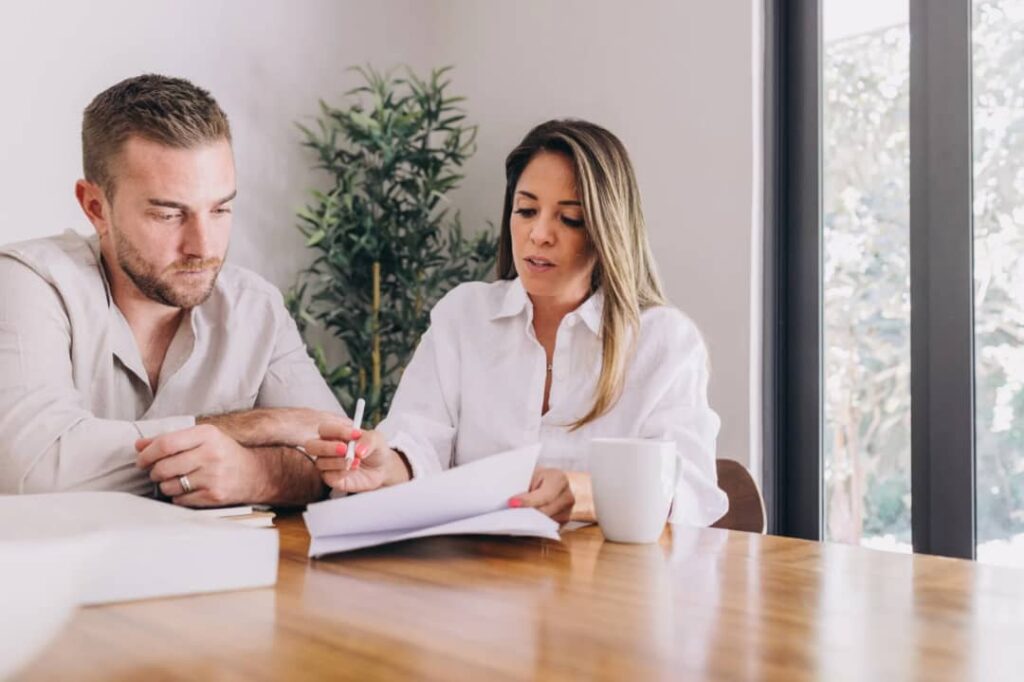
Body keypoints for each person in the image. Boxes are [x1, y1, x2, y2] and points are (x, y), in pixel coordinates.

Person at [302, 119, 728, 526]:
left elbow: (692, 491)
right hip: (477, 569)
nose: (539, 234)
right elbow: (418, 443)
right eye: (526, 210)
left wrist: (590, 495)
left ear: (607, 230)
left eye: (569, 218)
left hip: (608, 574)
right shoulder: (464, 316)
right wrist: (385, 465)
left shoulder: (664, 341)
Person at [0, 74, 346, 506]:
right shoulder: (29, 282)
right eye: (168, 215)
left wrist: (258, 474)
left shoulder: (254, 306)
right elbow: (33, 468)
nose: (203, 247)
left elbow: (340, 458)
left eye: (220, 209)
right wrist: (257, 426)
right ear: (96, 207)